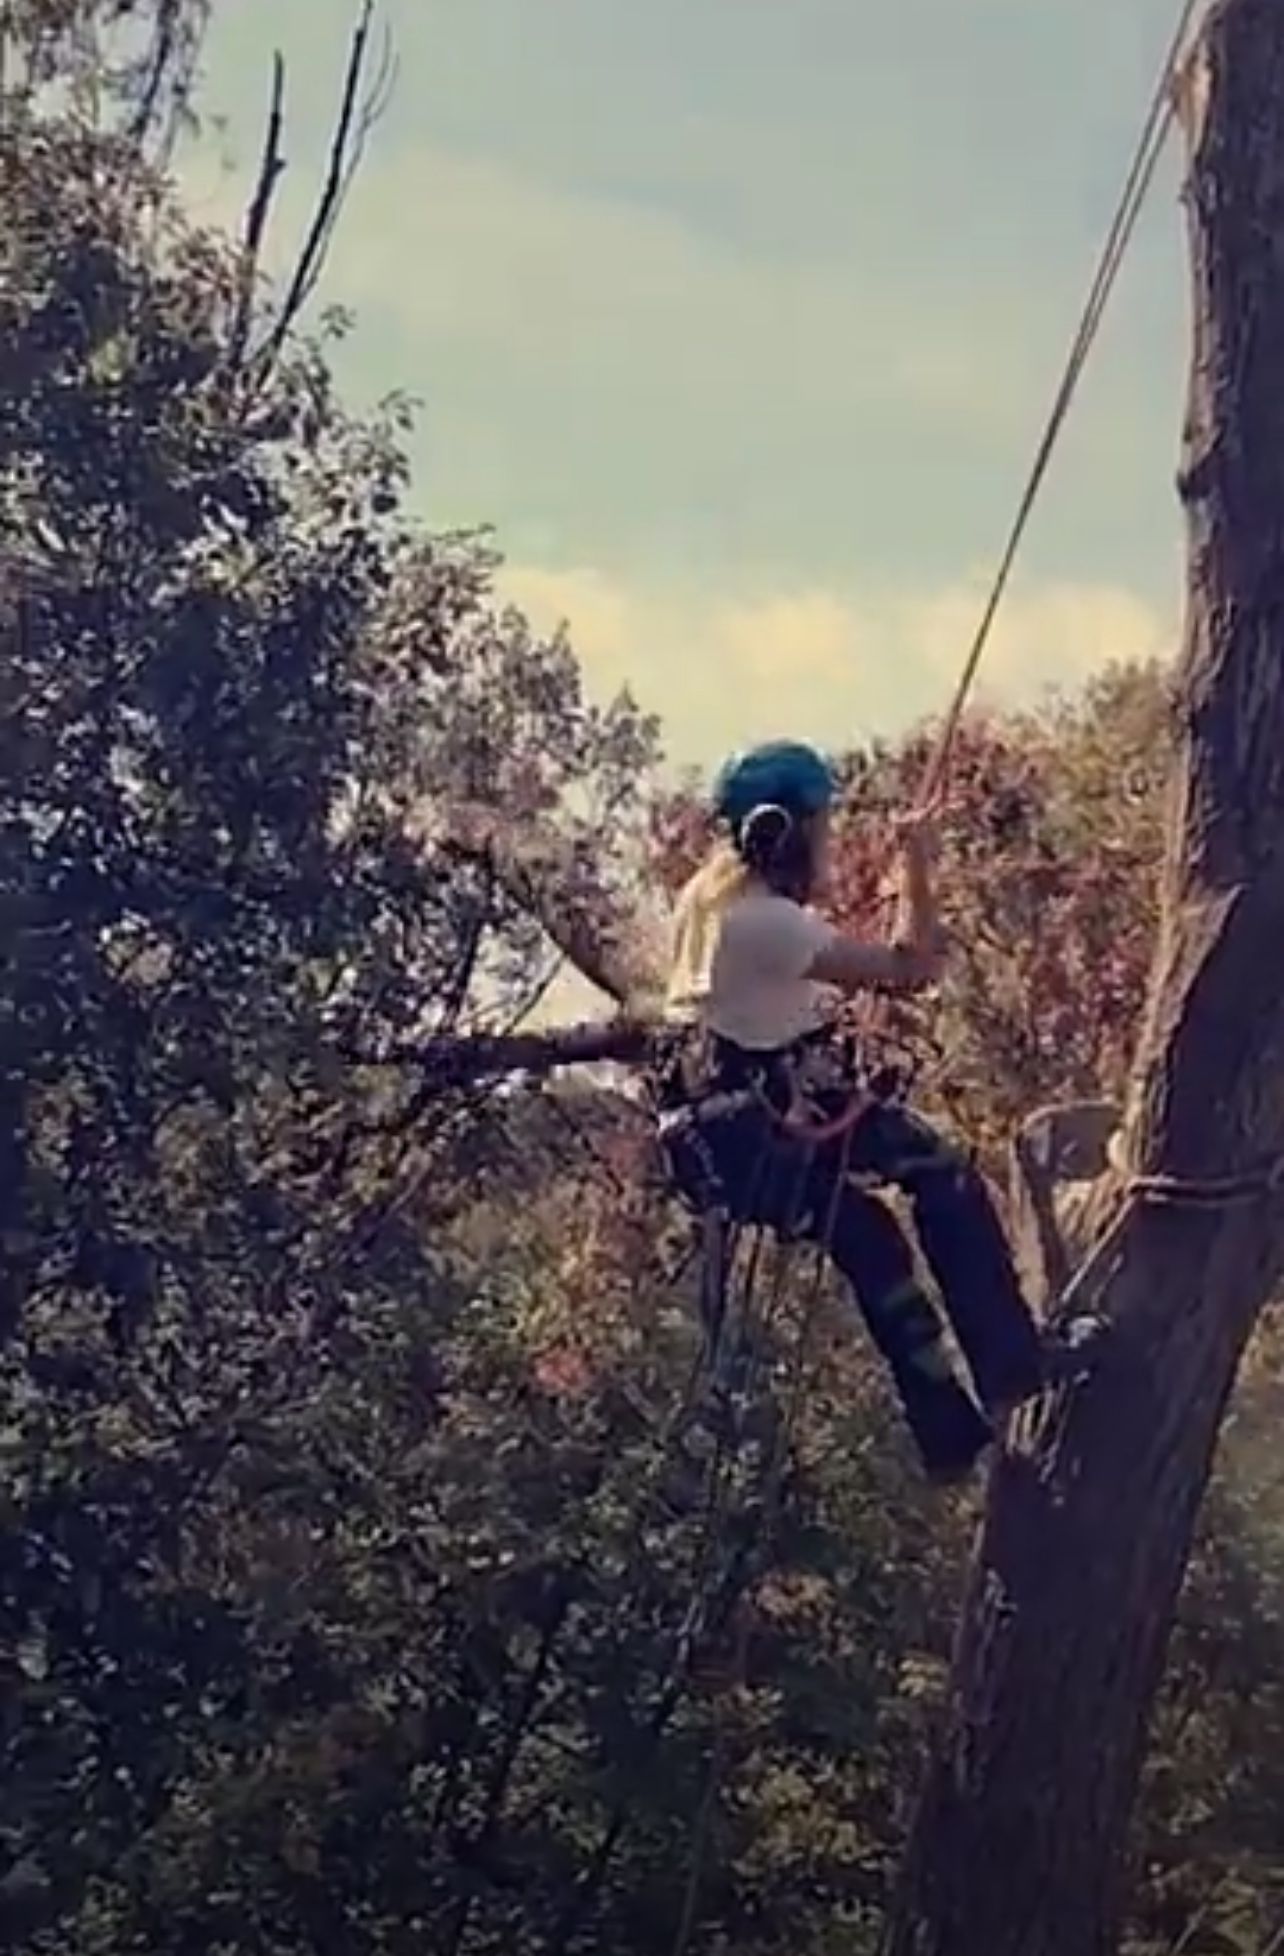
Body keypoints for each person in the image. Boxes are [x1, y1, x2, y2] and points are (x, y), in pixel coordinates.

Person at [654, 738, 1062, 1484]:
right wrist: (917, 861)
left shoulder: (704, 903)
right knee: (945, 1175)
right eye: (822, 826)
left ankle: (949, 1434)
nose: (830, 842)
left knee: (869, 1237)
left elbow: (755, 1008)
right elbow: (914, 969)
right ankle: (1013, 1370)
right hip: (776, 1125)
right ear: (782, 832)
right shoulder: (764, 923)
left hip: (726, 1149)